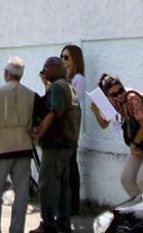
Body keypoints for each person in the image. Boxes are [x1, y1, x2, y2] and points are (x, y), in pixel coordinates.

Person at [0, 56, 45, 233]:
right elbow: (46, 114)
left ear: (6, 73)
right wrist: (37, 132)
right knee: (22, 194)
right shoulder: (31, 95)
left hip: (1, 148)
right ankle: (17, 229)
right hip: (23, 147)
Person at [30, 57, 80, 233]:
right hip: (69, 142)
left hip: (56, 143)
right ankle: (64, 223)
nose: (44, 71)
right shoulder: (69, 86)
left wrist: (39, 132)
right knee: (63, 186)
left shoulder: (58, 86)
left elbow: (56, 111)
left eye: (46, 67)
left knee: (46, 184)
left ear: (56, 67)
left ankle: (48, 224)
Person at [90, 74, 143, 198]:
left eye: (121, 90)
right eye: (114, 94)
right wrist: (96, 112)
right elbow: (104, 124)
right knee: (126, 179)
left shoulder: (132, 98)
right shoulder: (113, 101)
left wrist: (134, 144)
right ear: (108, 95)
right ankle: (140, 210)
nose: (120, 95)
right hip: (140, 142)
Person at [60, 44, 86, 214]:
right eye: (61, 57)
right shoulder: (64, 78)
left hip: (71, 120)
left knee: (70, 163)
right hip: (61, 120)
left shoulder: (78, 79)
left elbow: (74, 100)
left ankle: (73, 204)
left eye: (66, 57)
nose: (63, 61)